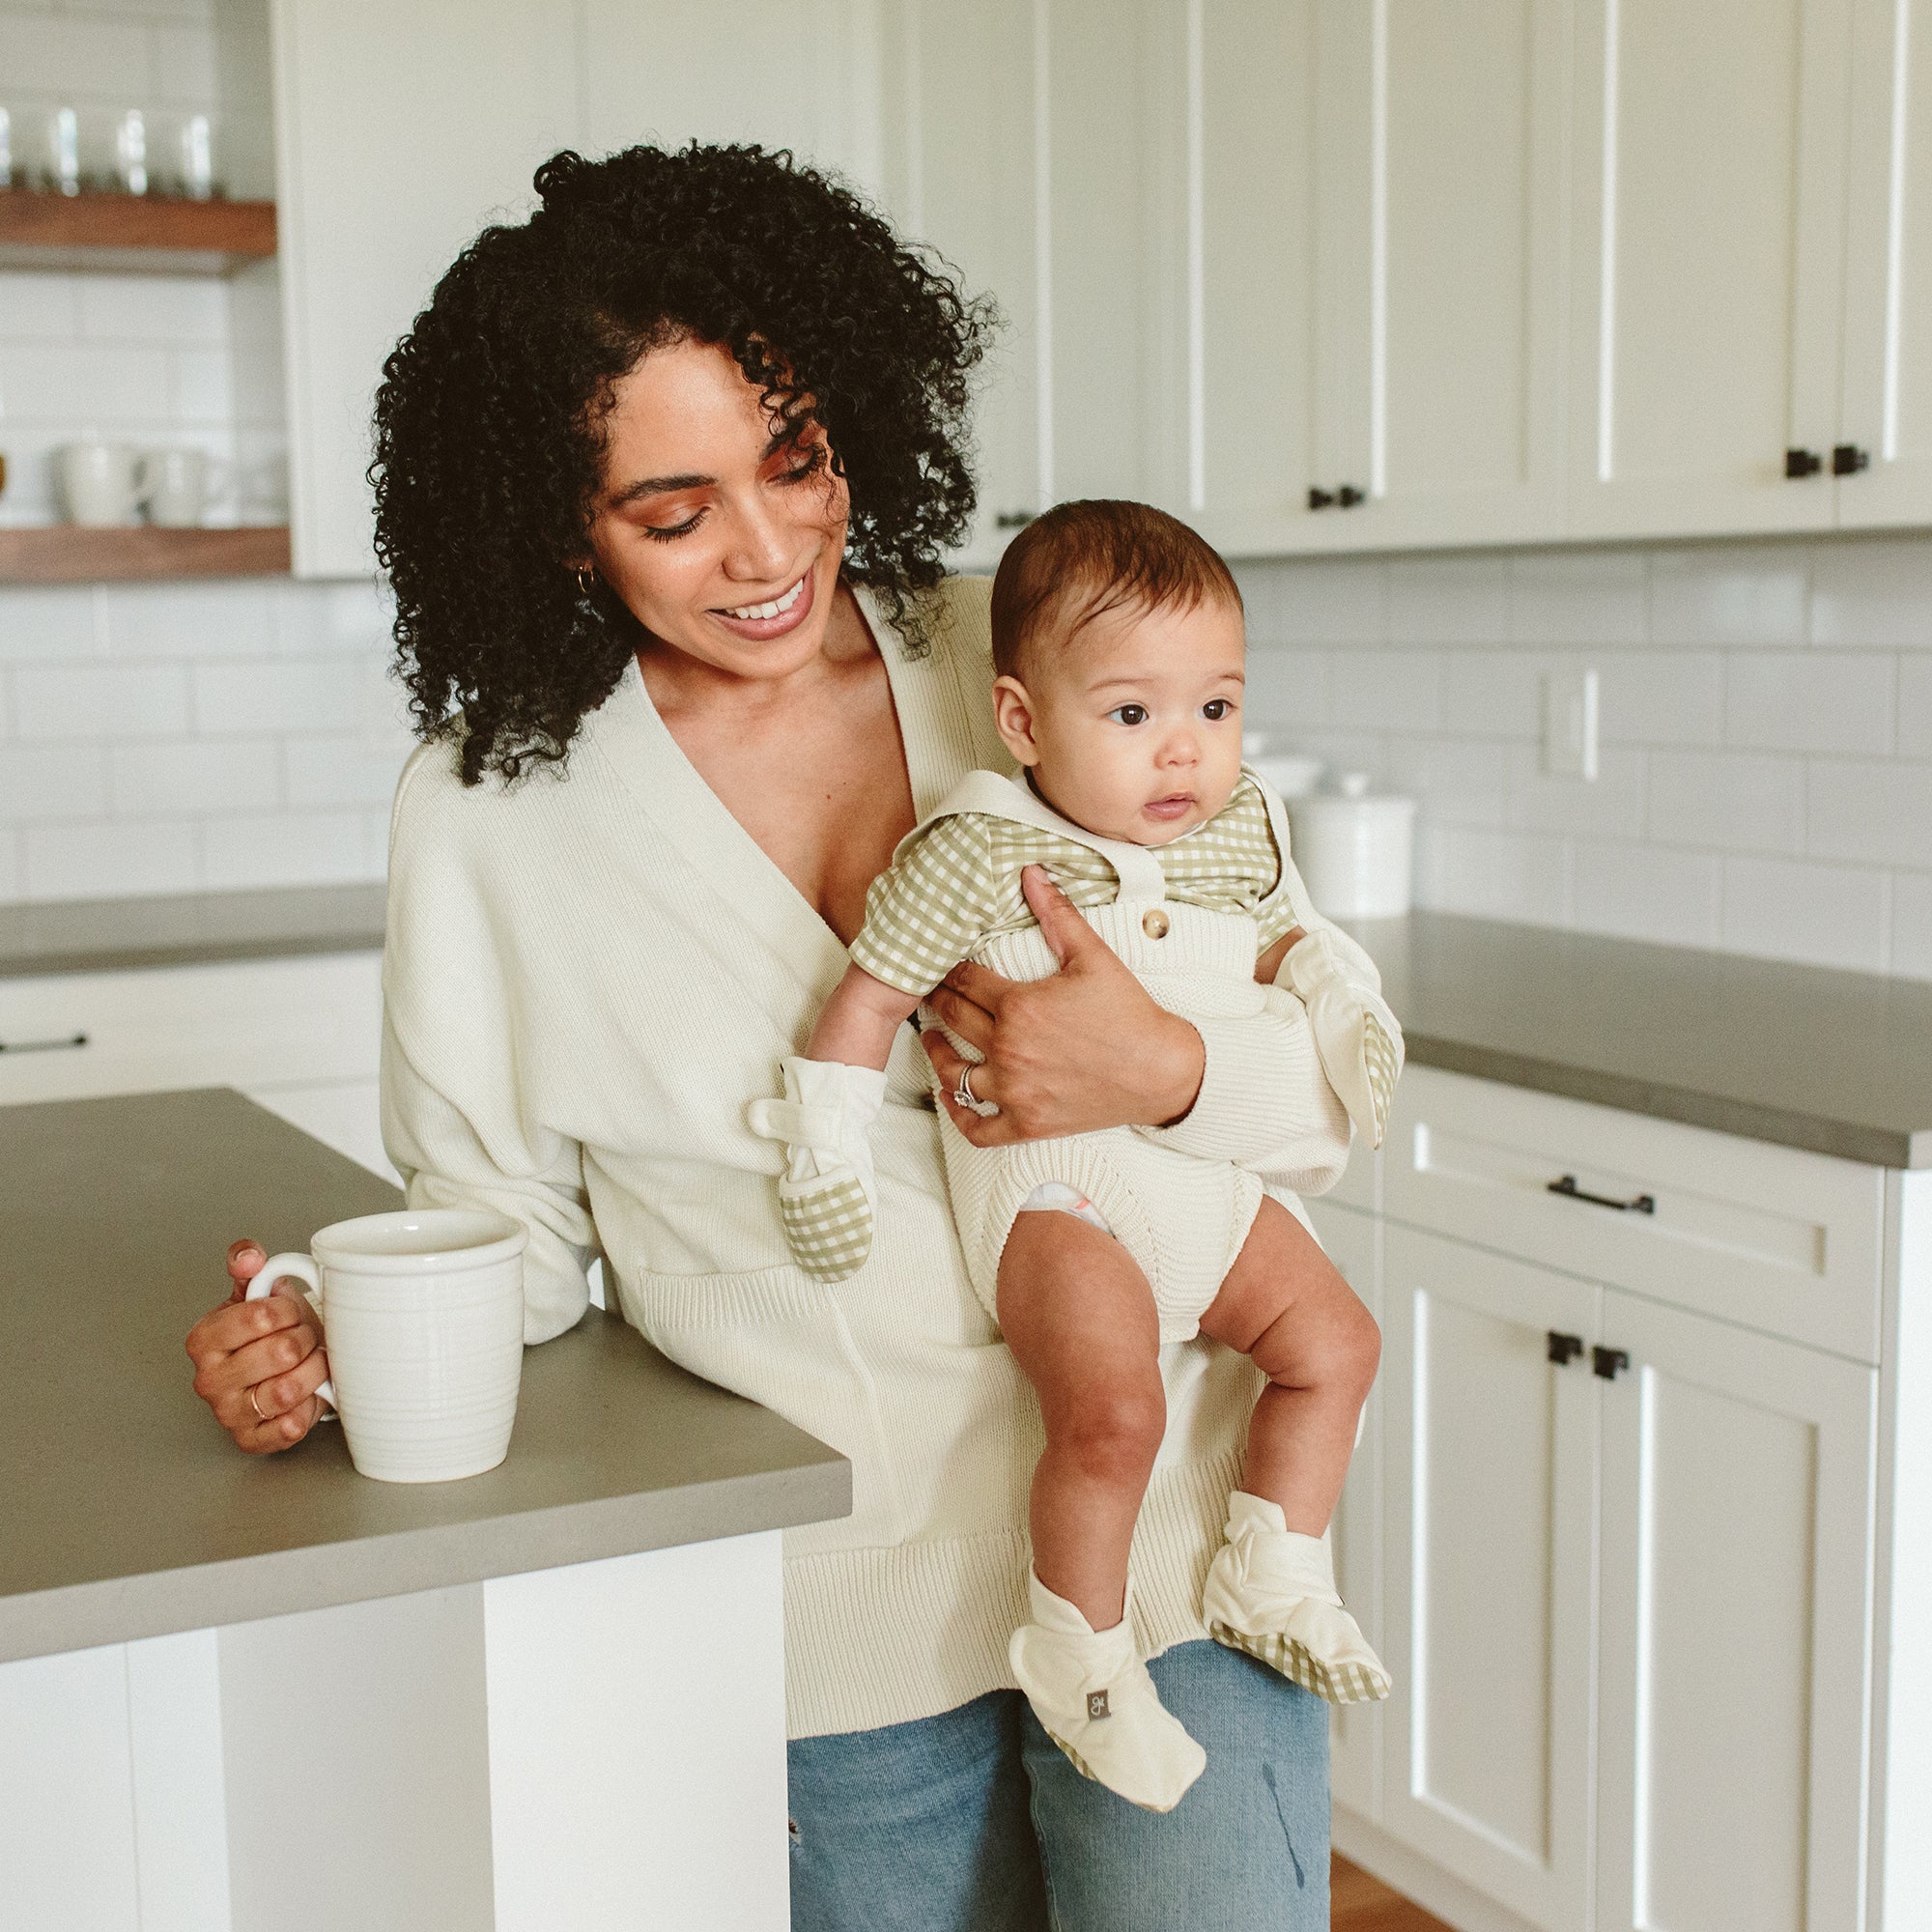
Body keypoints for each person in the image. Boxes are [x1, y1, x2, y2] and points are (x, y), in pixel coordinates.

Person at [184, 141, 1377, 1930]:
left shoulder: (1034, 643)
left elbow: (1335, 1048)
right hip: (840, 1622)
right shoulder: (491, 809)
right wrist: (328, 1343)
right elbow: (507, 1227)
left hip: (1181, 1560)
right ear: (552, 523)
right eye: (671, 514)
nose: (766, 551)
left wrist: (1172, 1071)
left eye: (796, 457)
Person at [750, 498, 1397, 1813]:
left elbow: (1292, 949)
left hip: (1209, 1195)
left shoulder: (1235, 834)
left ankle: (1275, 1564)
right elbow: (871, 997)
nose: (1186, 754)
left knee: (1338, 1347)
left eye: (1217, 709)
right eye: (1133, 716)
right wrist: (822, 1140)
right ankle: (1083, 1653)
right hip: (1064, 1205)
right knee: (1112, 1416)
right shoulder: (979, 852)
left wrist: (1341, 1003)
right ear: (1024, 720)